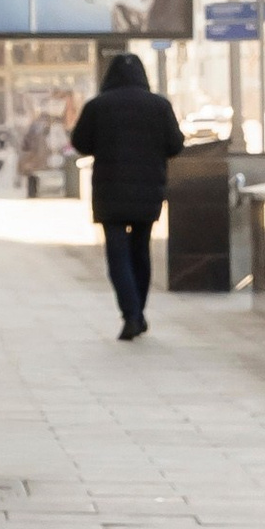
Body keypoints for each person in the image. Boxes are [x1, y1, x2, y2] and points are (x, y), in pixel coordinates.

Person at [72, 50, 185, 337]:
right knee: (140, 251)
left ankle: (131, 314)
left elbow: (80, 142)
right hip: (148, 191)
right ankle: (139, 313)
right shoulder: (160, 106)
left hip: (109, 192)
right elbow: (175, 145)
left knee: (117, 255)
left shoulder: (98, 106)